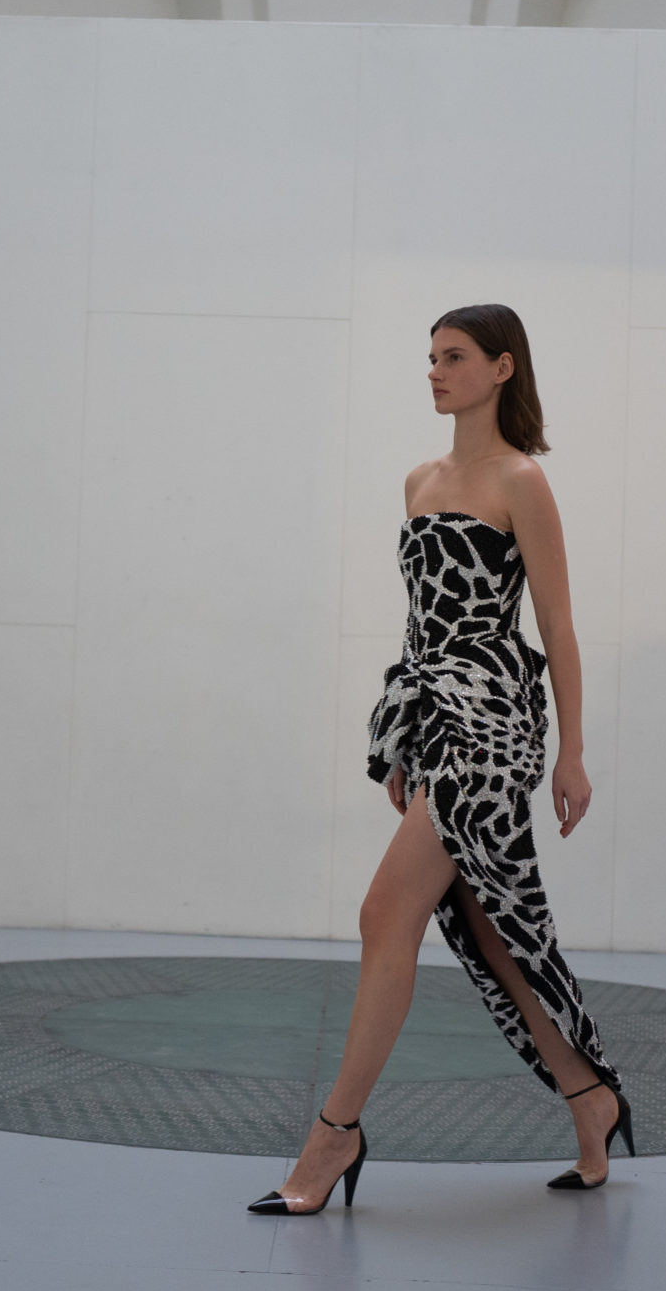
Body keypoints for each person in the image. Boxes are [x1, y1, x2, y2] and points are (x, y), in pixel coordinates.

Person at [250, 305, 631, 1214]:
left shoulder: (521, 480)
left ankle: (335, 1134)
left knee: (385, 912)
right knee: (493, 931)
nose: (435, 371)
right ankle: (591, 1097)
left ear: (502, 368)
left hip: (495, 723)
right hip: (437, 717)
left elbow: (558, 626)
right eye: (430, 357)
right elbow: (422, 628)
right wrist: (402, 733)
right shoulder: (419, 480)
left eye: (454, 357)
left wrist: (572, 752)